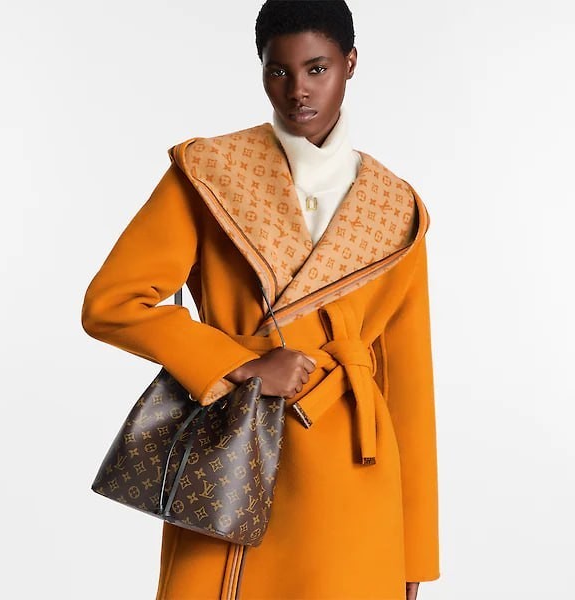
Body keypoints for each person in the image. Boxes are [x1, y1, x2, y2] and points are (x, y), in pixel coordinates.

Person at [81, 1, 440, 598]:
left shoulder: (397, 208)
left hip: (356, 477)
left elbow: (408, 387)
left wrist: (414, 556)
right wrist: (241, 365)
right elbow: (112, 303)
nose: (298, 89)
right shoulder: (210, 173)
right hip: (237, 454)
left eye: (318, 68)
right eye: (279, 70)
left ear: (350, 63)